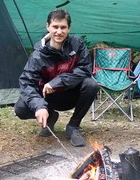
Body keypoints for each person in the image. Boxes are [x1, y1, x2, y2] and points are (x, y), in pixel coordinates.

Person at [14, 8, 99, 147]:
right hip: (47, 98)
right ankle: (51, 116)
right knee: (20, 109)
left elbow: (84, 69)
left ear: (69, 28)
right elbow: (27, 82)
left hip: (71, 95)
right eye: (55, 27)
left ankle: (73, 127)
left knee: (91, 85)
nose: (59, 31)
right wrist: (39, 106)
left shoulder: (77, 44)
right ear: (48, 27)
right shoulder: (38, 55)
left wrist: (56, 82)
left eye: (63, 27)